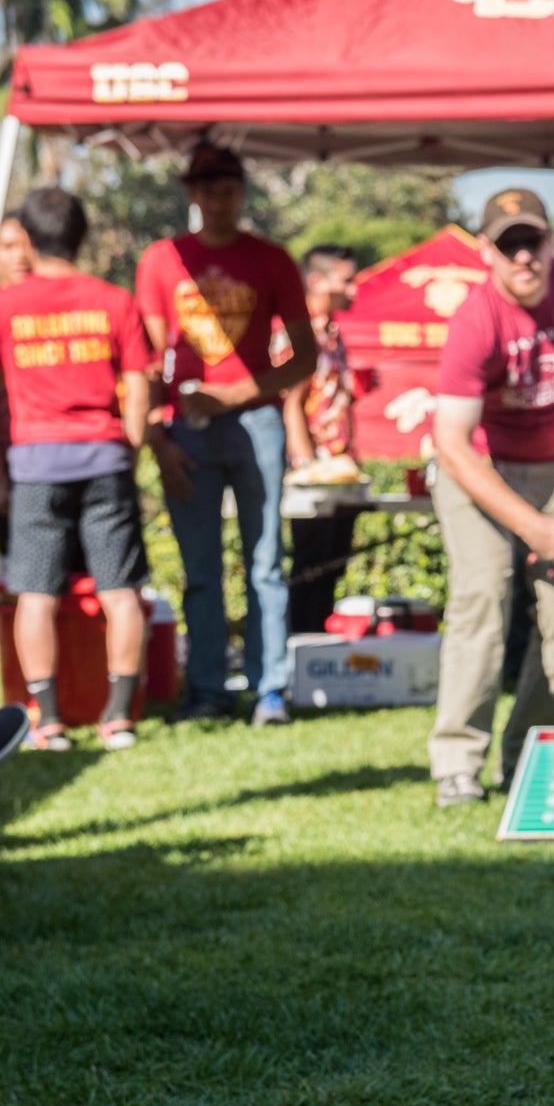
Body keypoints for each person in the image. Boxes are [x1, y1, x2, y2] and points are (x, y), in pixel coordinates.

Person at [429, 187, 554, 807]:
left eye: (531, 242)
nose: (523, 258)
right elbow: (453, 445)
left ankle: (530, 755)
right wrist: (530, 527)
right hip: (478, 469)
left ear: (550, 241)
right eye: (508, 245)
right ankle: (458, 762)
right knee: (483, 600)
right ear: (486, 253)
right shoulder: (477, 319)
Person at [136, 144, 317, 724]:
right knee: (201, 569)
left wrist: (236, 395)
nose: (220, 201)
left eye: (230, 190)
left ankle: (271, 690)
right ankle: (209, 689)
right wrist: (158, 439)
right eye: (209, 190)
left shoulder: (272, 259)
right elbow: (146, 360)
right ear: (192, 194)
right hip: (187, 426)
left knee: (266, 561)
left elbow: (304, 357)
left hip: (256, 421)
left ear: (243, 193)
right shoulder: (163, 260)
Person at [0, 188, 151, 750]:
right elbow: (139, 383)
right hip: (105, 458)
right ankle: (119, 717)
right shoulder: (113, 298)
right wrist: (131, 447)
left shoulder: (2, 305)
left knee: (36, 592)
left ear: (27, 239)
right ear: (82, 235)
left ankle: (48, 721)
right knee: (120, 589)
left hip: (35, 464)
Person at [282, 243, 360, 635]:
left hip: (340, 467)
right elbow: (291, 403)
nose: (355, 288)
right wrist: (308, 469)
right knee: (310, 563)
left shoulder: (333, 331)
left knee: (334, 561)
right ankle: (300, 644)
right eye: (347, 280)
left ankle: (317, 644)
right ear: (317, 281)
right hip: (314, 470)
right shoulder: (301, 332)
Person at [0, 213, 34, 569]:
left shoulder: (55, 308)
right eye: (8, 247)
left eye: (26, 246)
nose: (19, 256)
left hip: (59, 466)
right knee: (17, 574)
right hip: (11, 467)